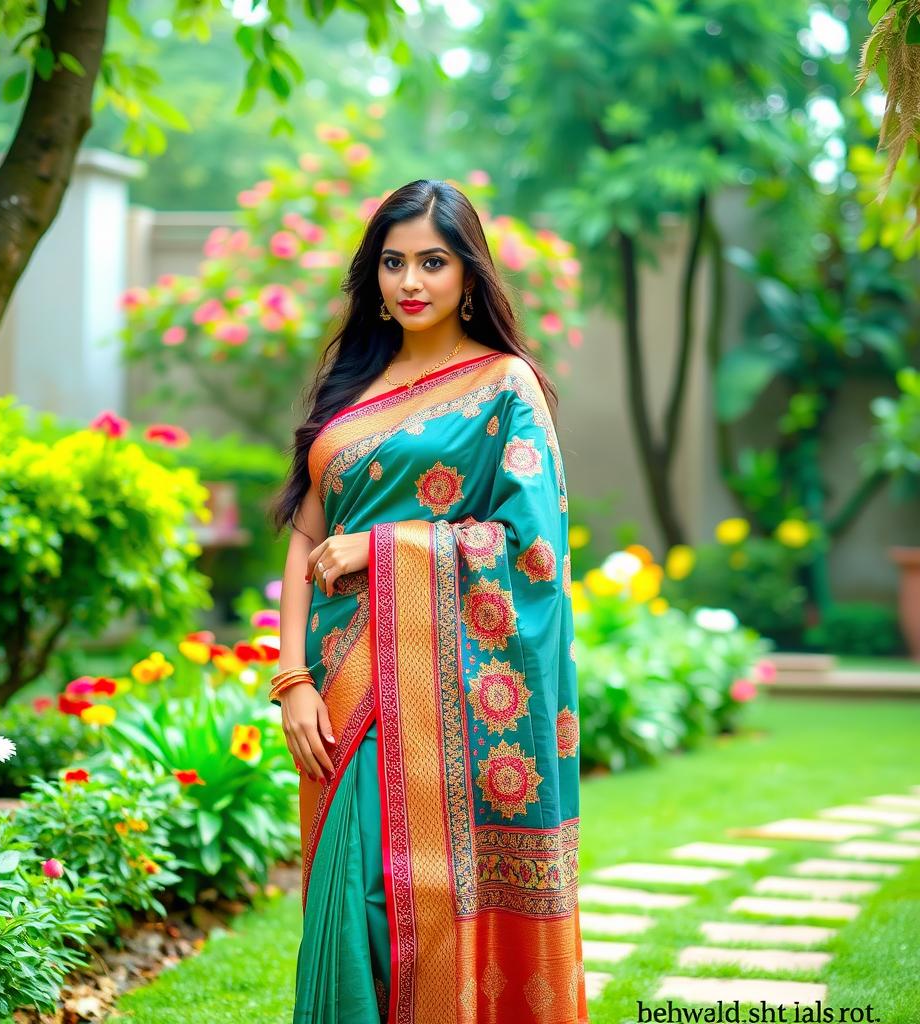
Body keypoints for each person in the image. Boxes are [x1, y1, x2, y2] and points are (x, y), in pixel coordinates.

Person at [267, 178, 589, 1024]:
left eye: (433, 262)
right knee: (346, 896)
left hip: (439, 694)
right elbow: (305, 537)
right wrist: (291, 676)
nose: (411, 281)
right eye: (394, 262)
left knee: (388, 892)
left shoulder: (504, 386)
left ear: (469, 276)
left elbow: (533, 555)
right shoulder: (352, 384)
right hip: (339, 684)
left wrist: (385, 548)